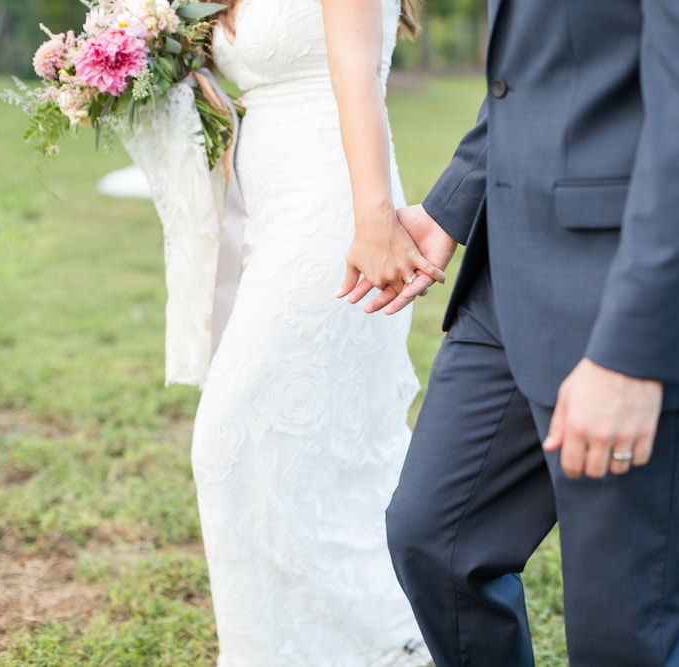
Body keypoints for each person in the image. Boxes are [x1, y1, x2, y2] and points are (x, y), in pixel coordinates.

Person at [352, 2, 679, 665]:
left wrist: (634, 355)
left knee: (628, 637)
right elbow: (536, 76)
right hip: (511, 269)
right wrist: (451, 206)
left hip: (639, 291)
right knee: (436, 539)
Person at [188, 0, 437, 664]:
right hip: (269, 210)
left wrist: (374, 219)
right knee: (312, 449)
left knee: (229, 438)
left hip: (335, 208)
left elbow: (356, 73)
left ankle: (376, 643)